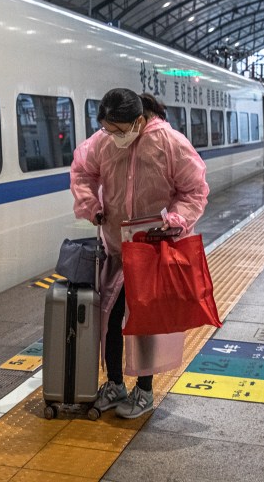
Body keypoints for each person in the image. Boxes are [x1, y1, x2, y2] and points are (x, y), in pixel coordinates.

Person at [70, 89, 209, 419]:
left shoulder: (169, 143)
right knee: (111, 320)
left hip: (154, 251)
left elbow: (194, 190)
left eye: (119, 130)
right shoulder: (103, 143)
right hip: (118, 249)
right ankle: (116, 383)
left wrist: (175, 220)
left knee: (145, 322)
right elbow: (81, 170)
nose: (113, 137)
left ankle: (144, 390)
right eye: (107, 129)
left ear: (139, 121)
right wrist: (91, 205)